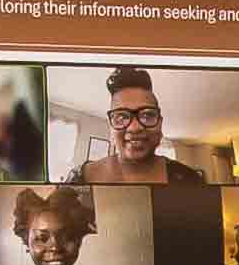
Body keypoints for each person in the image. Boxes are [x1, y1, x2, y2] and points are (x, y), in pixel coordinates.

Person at [70, 66, 210, 190]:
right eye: (122, 117)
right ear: (111, 126)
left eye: (147, 115)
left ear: (160, 124)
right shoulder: (82, 176)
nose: (134, 127)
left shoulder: (190, 180)